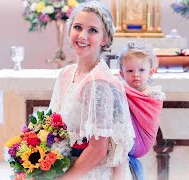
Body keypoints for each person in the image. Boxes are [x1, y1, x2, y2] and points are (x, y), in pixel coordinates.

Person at [48, 1, 135, 180]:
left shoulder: (98, 83)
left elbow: (98, 150)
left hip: (90, 173)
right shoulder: (66, 74)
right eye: (77, 27)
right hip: (64, 164)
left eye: (93, 30)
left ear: (104, 39)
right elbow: (50, 126)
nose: (82, 36)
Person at [118, 42, 165, 180]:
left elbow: (150, 116)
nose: (136, 75)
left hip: (140, 143)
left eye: (141, 70)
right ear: (122, 74)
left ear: (150, 72)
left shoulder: (153, 95)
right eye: (130, 71)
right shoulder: (121, 91)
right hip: (124, 141)